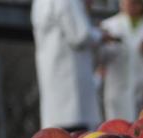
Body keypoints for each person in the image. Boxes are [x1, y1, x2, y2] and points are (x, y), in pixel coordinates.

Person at [31, 0, 110, 130]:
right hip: (72, 88)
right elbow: (80, 35)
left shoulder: (39, 3)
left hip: (52, 75)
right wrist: (101, 35)